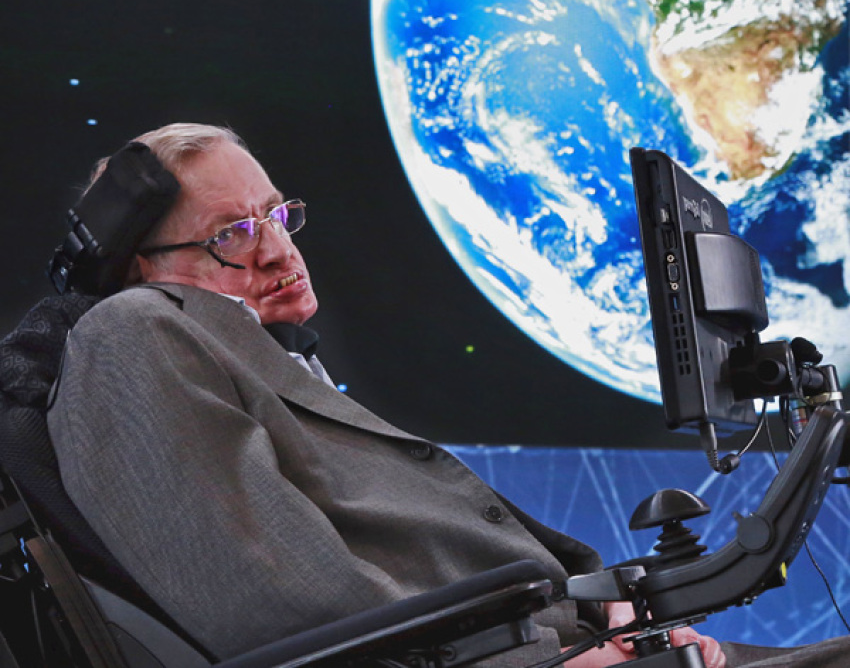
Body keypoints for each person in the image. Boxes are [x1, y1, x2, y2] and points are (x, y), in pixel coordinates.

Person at [45, 123, 845, 667]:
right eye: (233, 234)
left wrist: (617, 612)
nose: (279, 247)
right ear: (139, 266)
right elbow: (273, 598)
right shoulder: (131, 336)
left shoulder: (276, 365)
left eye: (276, 214)